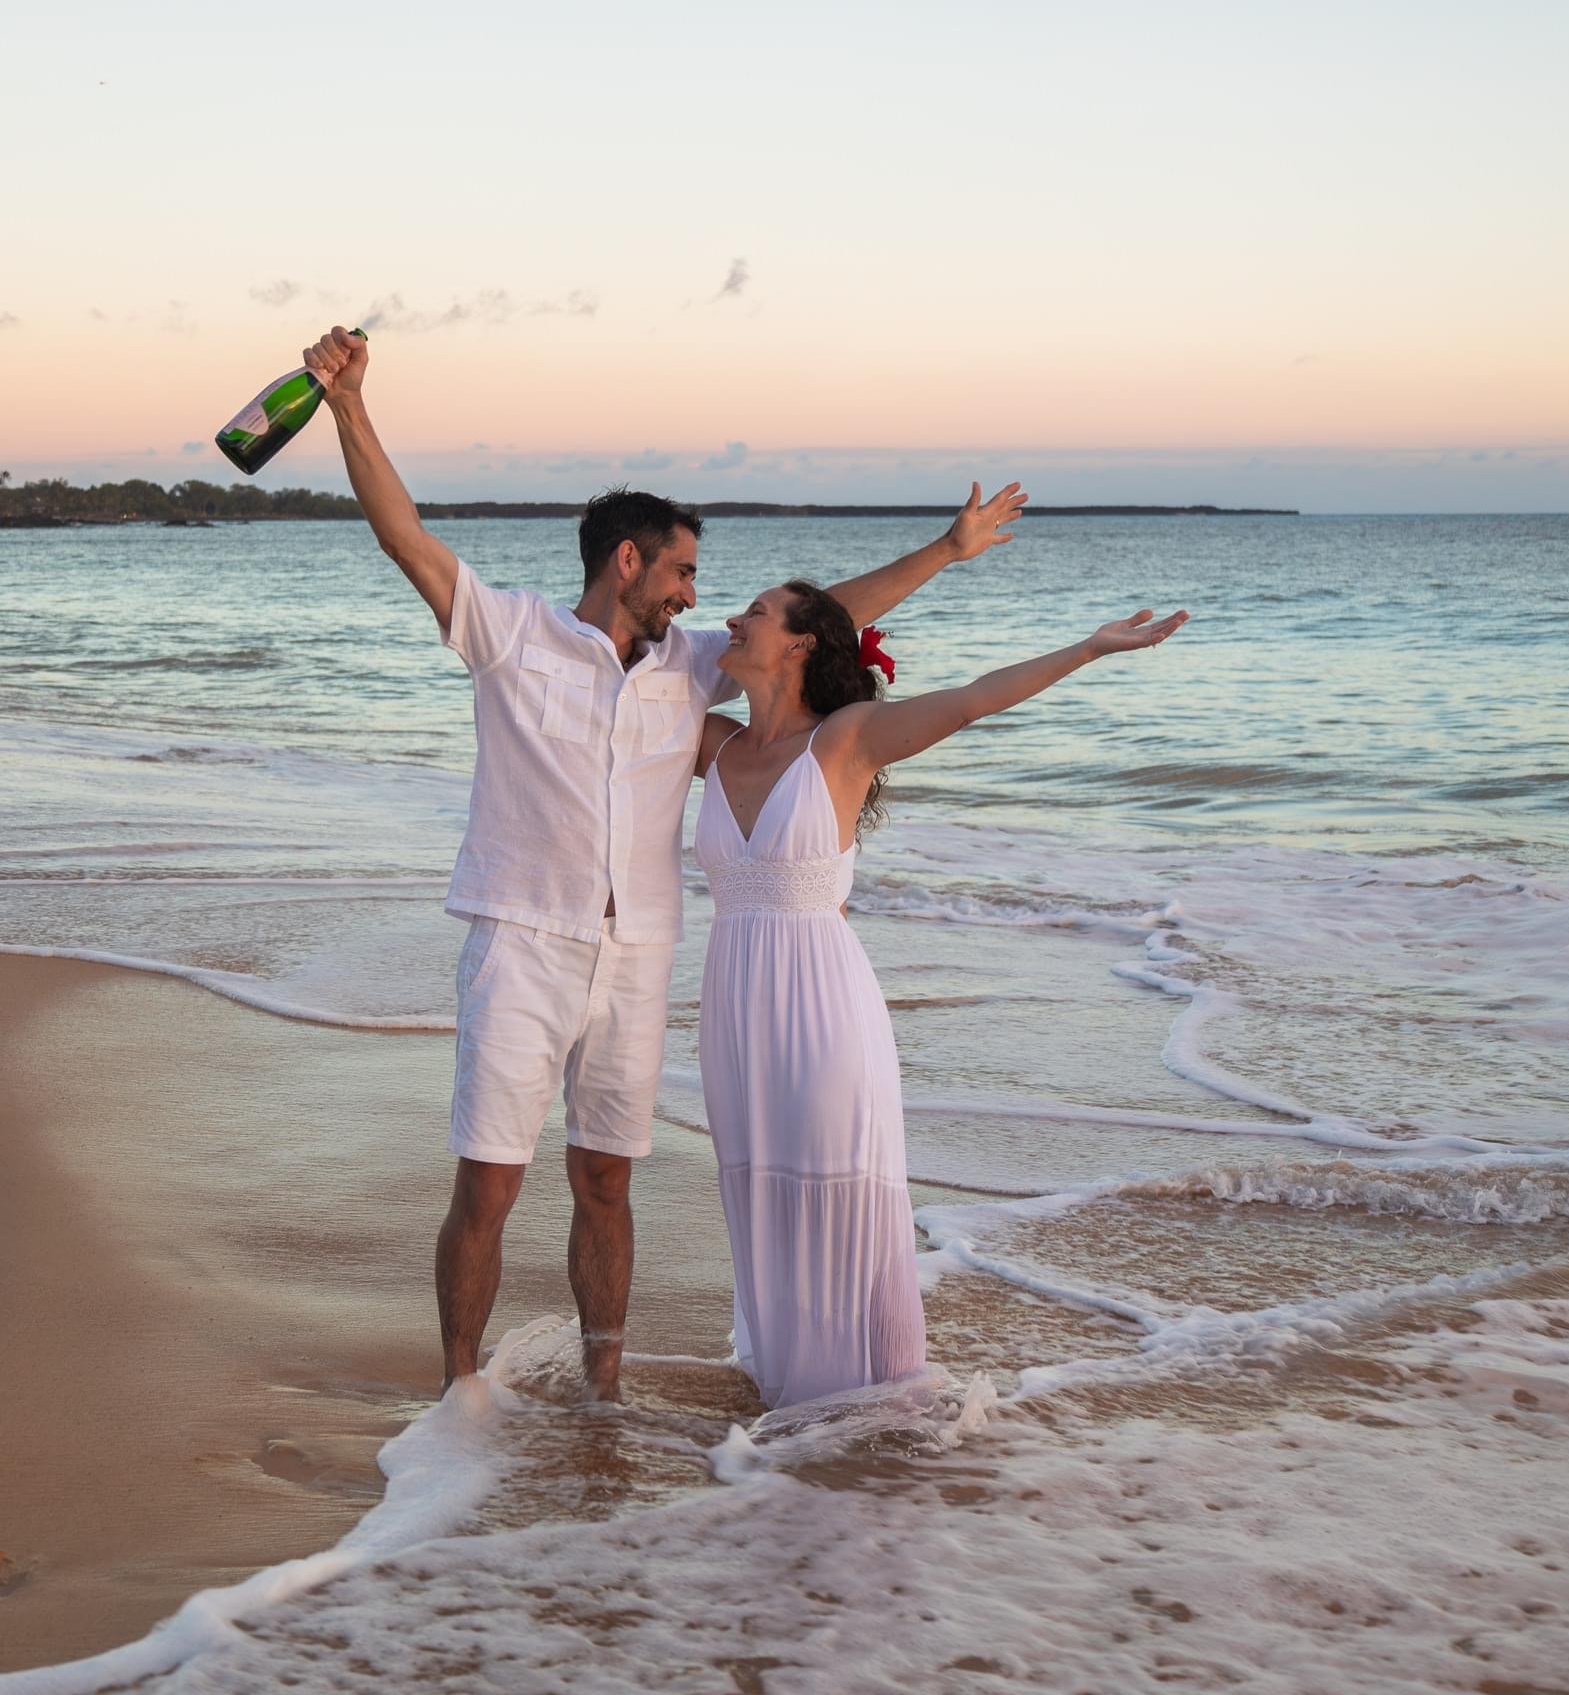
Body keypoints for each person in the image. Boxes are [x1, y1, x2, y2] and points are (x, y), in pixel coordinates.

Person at [302, 324, 1028, 1398]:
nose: (696, 593)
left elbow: (824, 626)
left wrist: (944, 551)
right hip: (522, 940)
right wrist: (350, 407)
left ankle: (604, 1387)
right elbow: (403, 535)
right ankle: (458, 1387)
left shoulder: (690, 671)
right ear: (627, 561)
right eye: (684, 569)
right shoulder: (510, 633)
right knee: (490, 1184)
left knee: (605, 1179)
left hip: (638, 957)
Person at [692, 579, 1188, 1409]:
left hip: (822, 1007)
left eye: (756, 614)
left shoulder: (845, 740)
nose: (734, 623)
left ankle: (857, 1409)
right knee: (762, 1192)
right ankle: (789, 1408)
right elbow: (610, 708)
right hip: (732, 1008)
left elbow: (969, 702)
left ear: (802, 643)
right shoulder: (712, 746)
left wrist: (1089, 648)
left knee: (830, 1189)